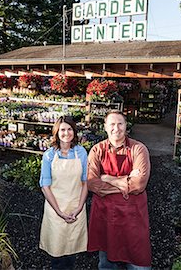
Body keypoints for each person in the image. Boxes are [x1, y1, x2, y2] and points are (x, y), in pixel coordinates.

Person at [87, 110, 152, 269]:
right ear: (105, 127)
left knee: (138, 263)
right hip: (105, 214)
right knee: (106, 261)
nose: (116, 128)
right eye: (112, 124)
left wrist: (107, 178)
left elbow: (139, 185)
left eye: (120, 124)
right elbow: (91, 183)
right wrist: (124, 182)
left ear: (126, 125)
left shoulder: (138, 149)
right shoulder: (97, 150)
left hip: (133, 215)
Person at [39, 116, 88, 269]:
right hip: (55, 209)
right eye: (62, 130)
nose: (66, 133)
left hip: (76, 207)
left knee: (71, 253)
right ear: (56, 132)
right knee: (57, 254)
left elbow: (85, 182)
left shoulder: (81, 153)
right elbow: (45, 186)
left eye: (69, 129)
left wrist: (79, 207)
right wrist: (59, 212)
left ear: (74, 131)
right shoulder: (49, 155)